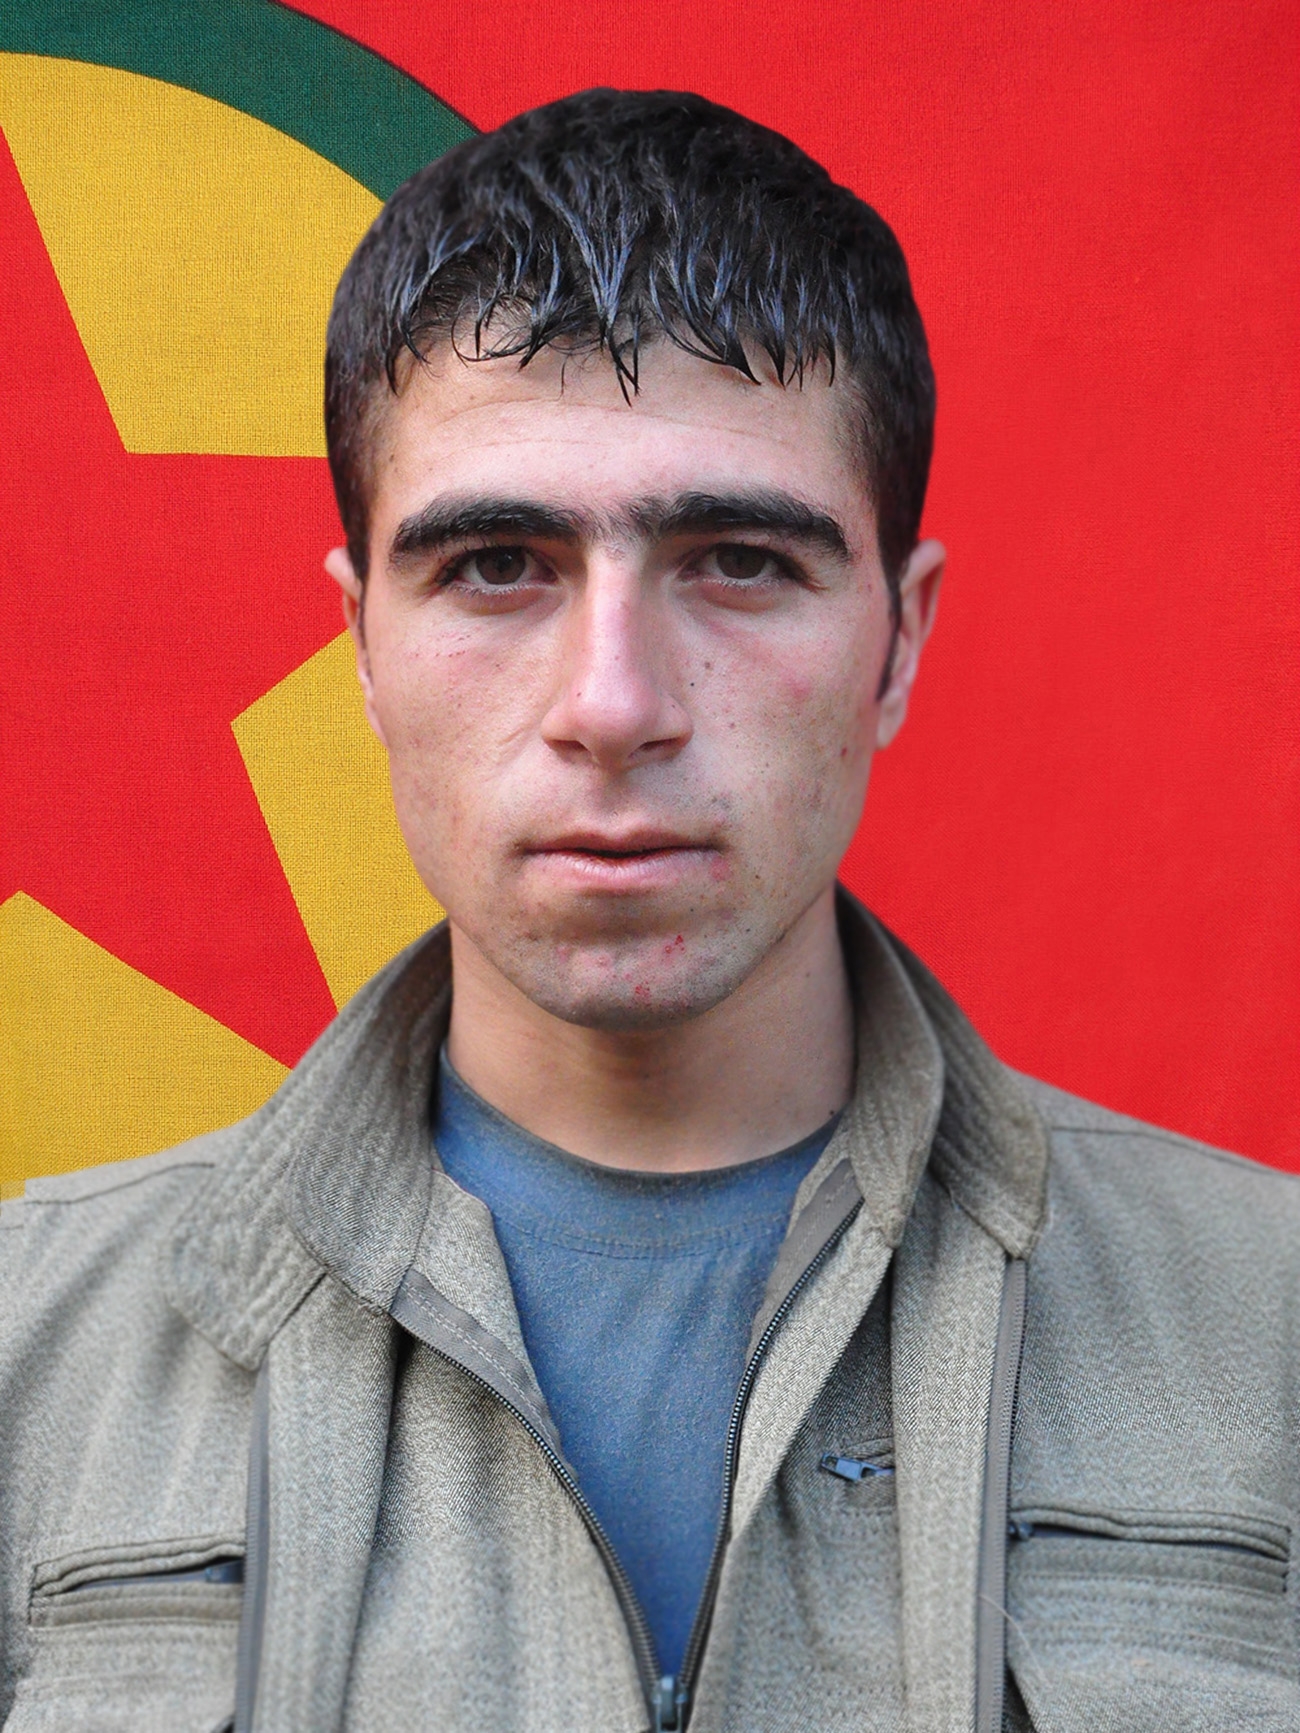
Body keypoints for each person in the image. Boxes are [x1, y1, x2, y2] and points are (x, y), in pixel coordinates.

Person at [1, 88, 1296, 1733]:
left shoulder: (1272, 1330)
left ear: (898, 641)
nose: (613, 703)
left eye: (740, 559)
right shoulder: (29, 1349)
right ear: (363, 648)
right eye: (496, 565)